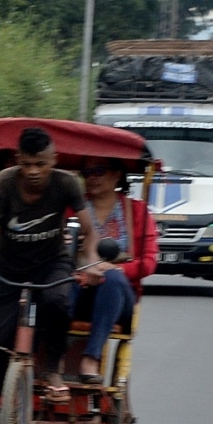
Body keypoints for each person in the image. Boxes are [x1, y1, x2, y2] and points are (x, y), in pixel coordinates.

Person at [0, 127, 101, 424]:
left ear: (52, 161)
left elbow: (88, 233)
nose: (33, 172)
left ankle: (54, 370)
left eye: (40, 164)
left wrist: (93, 263)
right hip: (9, 269)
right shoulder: (3, 184)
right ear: (18, 161)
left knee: (58, 301)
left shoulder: (66, 184)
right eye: (27, 164)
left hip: (51, 264)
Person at [72, 157, 158, 382]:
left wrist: (115, 269)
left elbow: (148, 261)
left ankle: (91, 358)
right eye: (87, 172)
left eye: (98, 171)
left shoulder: (137, 211)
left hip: (117, 295)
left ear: (116, 174)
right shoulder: (72, 209)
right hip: (78, 288)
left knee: (110, 279)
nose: (92, 178)